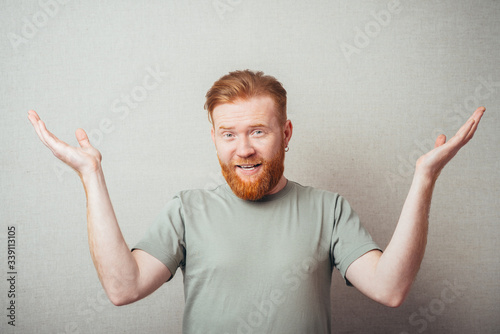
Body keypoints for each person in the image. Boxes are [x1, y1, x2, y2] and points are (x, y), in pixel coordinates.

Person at [28, 70, 485, 333]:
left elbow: (390, 289)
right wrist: (91, 175)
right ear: (213, 138)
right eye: (228, 134)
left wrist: (424, 177)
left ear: (285, 134)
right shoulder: (187, 210)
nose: (242, 148)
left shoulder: (330, 210)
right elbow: (123, 288)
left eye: (258, 132)